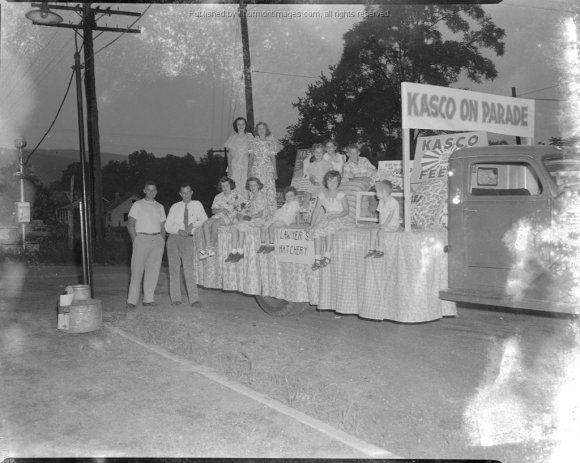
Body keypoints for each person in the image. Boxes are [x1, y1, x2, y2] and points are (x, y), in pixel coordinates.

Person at [164, 183, 208, 306]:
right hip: (173, 239)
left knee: (189, 269)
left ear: (192, 192)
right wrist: (178, 230)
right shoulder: (175, 206)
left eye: (188, 192)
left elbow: (204, 219)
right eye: (183, 192)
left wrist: (192, 225)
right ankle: (176, 299)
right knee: (173, 270)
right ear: (180, 194)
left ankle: (194, 300)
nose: (186, 195)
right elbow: (167, 226)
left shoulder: (197, 204)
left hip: (189, 240)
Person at [126, 181, 167, 309]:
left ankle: (148, 299)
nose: (151, 192)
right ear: (144, 191)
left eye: (153, 190)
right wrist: (135, 240)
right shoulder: (137, 205)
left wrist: (162, 241)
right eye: (148, 189)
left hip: (157, 240)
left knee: (153, 271)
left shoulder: (160, 206)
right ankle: (132, 300)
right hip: (141, 239)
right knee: (137, 271)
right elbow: (130, 224)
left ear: (156, 191)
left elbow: (163, 226)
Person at [308, 170, 350, 271]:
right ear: (326, 182)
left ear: (339, 183)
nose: (332, 183)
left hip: (339, 217)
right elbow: (316, 211)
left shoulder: (341, 194)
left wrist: (336, 216)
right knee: (317, 230)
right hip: (328, 217)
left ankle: (327, 257)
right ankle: (317, 259)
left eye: (335, 181)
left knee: (329, 228)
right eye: (330, 181)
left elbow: (346, 211)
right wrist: (312, 225)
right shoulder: (322, 195)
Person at [200, 177, 245, 260]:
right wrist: (220, 209)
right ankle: (207, 247)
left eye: (227, 185)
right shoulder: (218, 196)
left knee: (215, 224)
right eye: (223, 186)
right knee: (205, 224)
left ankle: (211, 248)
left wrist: (238, 212)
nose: (225, 188)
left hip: (230, 216)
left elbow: (244, 206)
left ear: (231, 185)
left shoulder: (237, 196)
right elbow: (213, 210)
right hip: (219, 214)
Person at [226, 177, 269, 263]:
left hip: (259, 219)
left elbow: (260, 214)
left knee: (241, 225)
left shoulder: (261, 196)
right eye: (250, 185)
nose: (253, 187)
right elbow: (249, 208)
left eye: (255, 185)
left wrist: (248, 217)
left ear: (259, 185)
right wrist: (242, 213)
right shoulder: (251, 195)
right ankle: (234, 251)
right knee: (234, 225)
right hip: (252, 216)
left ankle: (240, 252)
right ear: (248, 186)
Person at [257, 186, 300, 253]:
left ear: (295, 196)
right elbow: (279, 212)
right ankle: (263, 244)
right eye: (287, 196)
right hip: (277, 217)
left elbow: (298, 213)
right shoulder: (286, 204)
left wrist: (298, 224)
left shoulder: (295, 203)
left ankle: (271, 245)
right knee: (263, 226)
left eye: (291, 195)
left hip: (284, 219)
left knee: (271, 227)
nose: (288, 197)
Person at [365, 180, 401, 258]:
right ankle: (372, 249)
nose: (375, 194)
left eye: (377, 192)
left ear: (383, 192)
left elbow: (390, 216)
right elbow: (381, 215)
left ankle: (381, 250)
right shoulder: (381, 201)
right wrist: (380, 224)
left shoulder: (393, 202)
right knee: (373, 230)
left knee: (381, 231)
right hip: (384, 223)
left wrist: (384, 225)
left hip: (392, 224)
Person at [248, 122, 279, 212]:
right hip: (256, 170)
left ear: (266, 130)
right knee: (257, 190)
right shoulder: (253, 142)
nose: (261, 130)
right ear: (256, 131)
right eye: (259, 129)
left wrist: (275, 172)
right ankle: (257, 212)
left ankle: (271, 213)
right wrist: (249, 171)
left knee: (270, 190)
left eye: (263, 128)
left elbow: (273, 158)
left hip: (268, 170)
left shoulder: (271, 142)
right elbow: (251, 157)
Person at [225, 117, 254, 199]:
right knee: (234, 185)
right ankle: (235, 208)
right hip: (235, 165)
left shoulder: (250, 137)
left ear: (245, 125)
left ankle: (245, 208)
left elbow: (252, 155)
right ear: (236, 126)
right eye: (239, 124)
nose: (241, 126)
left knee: (246, 186)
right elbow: (229, 155)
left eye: (243, 124)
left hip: (245, 165)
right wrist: (230, 168)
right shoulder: (232, 138)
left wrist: (249, 168)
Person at [301, 143, 332, 207]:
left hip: (323, 184)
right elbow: (311, 176)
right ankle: (303, 208)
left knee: (316, 195)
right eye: (316, 152)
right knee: (308, 194)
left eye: (320, 152)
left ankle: (313, 205)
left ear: (323, 153)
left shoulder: (326, 163)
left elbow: (329, 174)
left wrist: (326, 182)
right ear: (313, 153)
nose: (318, 154)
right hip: (315, 184)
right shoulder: (312, 164)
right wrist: (313, 182)